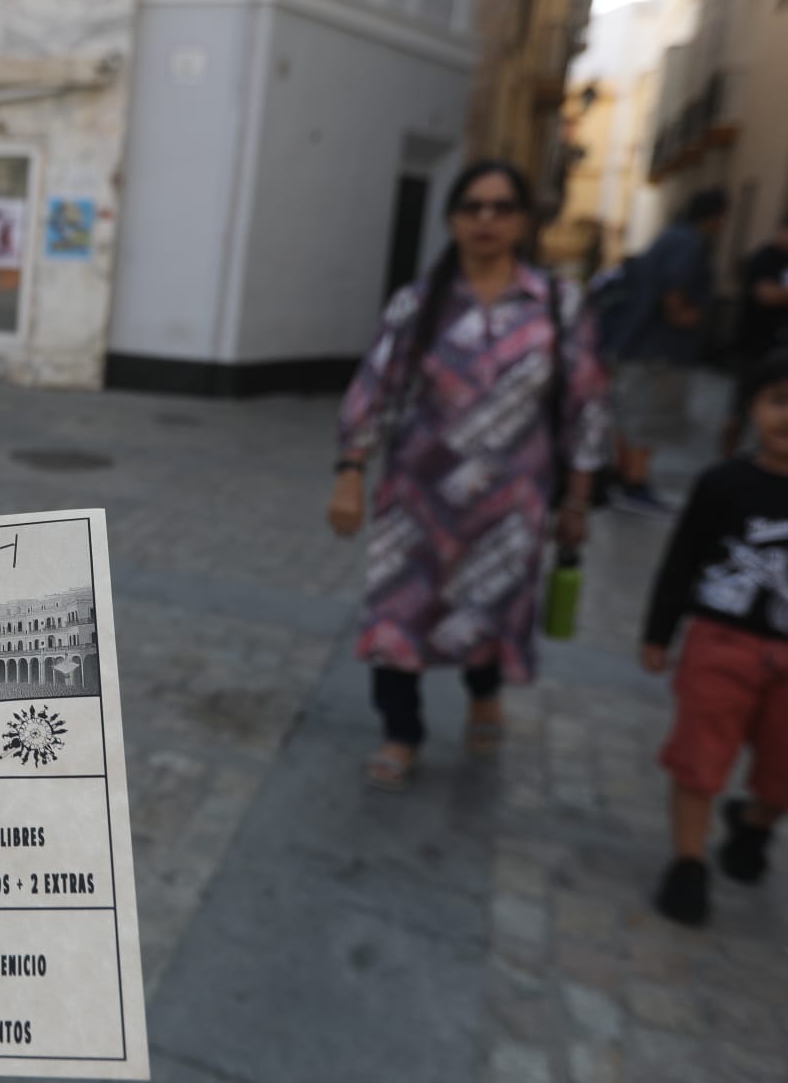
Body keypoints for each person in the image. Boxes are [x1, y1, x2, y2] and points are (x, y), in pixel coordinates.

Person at [329, 160, 610, 791]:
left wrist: (579, 503)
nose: (486, 219)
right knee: (398, 612)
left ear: (523, 220)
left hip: (513, 503)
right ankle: (402, 732)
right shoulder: (418, 303)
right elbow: (373, 388)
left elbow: (587, 406)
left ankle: (486, 694)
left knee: (491, 606)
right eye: (472, 207)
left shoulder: (558, 306)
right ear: (453, 219)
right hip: (417, 497)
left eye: (502, 207)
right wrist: (351, 470)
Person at [641, 348, 788, 926]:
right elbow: (682, 560)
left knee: (783, 771)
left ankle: (753, 823)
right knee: (700, 757)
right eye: (779, 400)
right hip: (720, 645)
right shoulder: (723, 483)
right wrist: (659, 631)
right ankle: (688, 863)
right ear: (752, 407)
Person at [611, 188, 728, 513]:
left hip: (641, 344)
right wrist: (683, 315)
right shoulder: (689, 243)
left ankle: (623, 477)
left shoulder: (671, 237)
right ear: (717, 216)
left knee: (632, 414)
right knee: (649, 417)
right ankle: (634, 483)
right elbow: (673, 286)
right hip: (662, 350)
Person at [720, 214, 788, 457]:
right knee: (740, 411)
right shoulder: (766, 257)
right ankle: (728, 457)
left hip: (778, 351)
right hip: (755, 349)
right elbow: (766, 294)